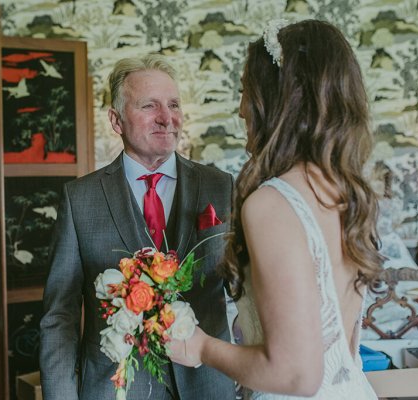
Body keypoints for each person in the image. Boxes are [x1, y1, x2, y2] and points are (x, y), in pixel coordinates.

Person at [169, 19, 385, 399]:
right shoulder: (345, 192)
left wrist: (201, 347)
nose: (240, 110)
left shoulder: (273, 203)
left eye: (245, 92)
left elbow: (296, 375)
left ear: (276, 99)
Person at [39, 54, 236, 400]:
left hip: (208, 386)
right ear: (116, 120)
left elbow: (246, 293)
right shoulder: (79, 199)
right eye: (149, 106)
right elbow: (60, 317)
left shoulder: (221, 187)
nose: (167, 118)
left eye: (173, 104)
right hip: (115, 388)